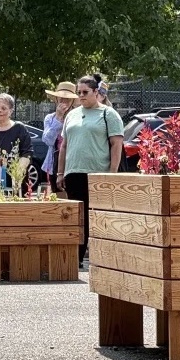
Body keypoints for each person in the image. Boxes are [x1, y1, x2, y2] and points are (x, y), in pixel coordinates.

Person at [57, 73, 123, 266]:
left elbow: (116, 144)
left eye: (85, 92)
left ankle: (104, 258)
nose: (81, 96)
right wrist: (60, 172)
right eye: (79, 93)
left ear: (96, 92)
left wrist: (112, 173)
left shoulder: (108, 114)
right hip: (74, 172)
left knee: (97, 216)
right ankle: (75, 259)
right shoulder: (72, 114)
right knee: (77, 216)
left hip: (97, 173)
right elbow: (64, 146)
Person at [42, 82, 78, 193]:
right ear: (56, 99)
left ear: (73, 101)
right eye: (61, 98)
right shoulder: (50, 118)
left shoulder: (78, 116)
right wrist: (58, 118)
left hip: (73, 162)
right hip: (55, 163)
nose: (64, 102)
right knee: (58, 196)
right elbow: (47, 140)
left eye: (67, 99)